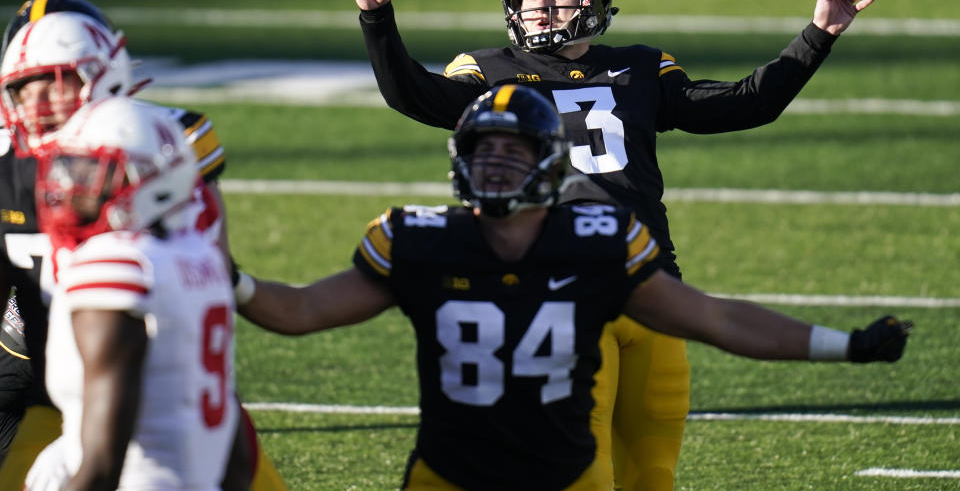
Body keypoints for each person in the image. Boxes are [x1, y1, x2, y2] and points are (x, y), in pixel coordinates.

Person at [350, 0, 876, 489]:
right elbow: (415, 96)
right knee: (585, 472)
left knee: (652, 476)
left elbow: (748, 104)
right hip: (564, 294)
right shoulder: (488, 70)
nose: (543, 6)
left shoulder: (641, 67)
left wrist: (818, 34)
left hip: (650, 285)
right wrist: (378, 21)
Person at [233, 85, 911, 490]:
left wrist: (844, 346)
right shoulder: (418, 240)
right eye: (481, 150)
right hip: (447, 478)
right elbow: (300, 310)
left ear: (550, 164)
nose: (494, 163)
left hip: (568, 479)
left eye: (513, 150)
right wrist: (226, 280)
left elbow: (718, 321)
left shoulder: (597, 241)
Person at [0, 0, 287, 490]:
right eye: (25, 88)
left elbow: (206, 281)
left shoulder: (157, 144)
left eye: (57, 83)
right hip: (39, 375)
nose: (40, 104)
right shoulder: (10, 158)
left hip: (156, 376)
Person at [26, 96, 238, 490]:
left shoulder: (117, 266)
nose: (70, 185)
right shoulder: (200, 259)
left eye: (92, 170)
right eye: (67, 166)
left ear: (146, 179)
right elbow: (237, 450)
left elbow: (103, 467)